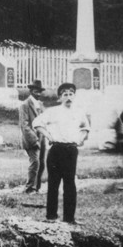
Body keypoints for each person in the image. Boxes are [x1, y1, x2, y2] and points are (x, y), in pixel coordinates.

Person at [32, 83, 90, 225]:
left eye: (71, 94)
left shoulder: (79, 112)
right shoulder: (53, 111)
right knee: (53, 183)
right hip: (56, 150)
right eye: (65, 94)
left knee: (70, 183)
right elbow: (37, 123)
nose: (68, 97)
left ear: (74, 96)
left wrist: (80, 139)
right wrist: (49, 136)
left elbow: (85, 128)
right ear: (60, 97)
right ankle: (51, 216)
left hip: (71, 150)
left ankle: (69, 218)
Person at [19, 80, 47, 193]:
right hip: (31, 139)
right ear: (31, 91)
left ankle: (37, 187)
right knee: (35, 162)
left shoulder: (40, 105)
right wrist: (34, 140)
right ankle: (30, 187)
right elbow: (24, 125)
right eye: (36, 91)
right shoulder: (25, 105)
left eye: (40, 92)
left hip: (42, 137)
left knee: (42, 163)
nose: (38, 94)